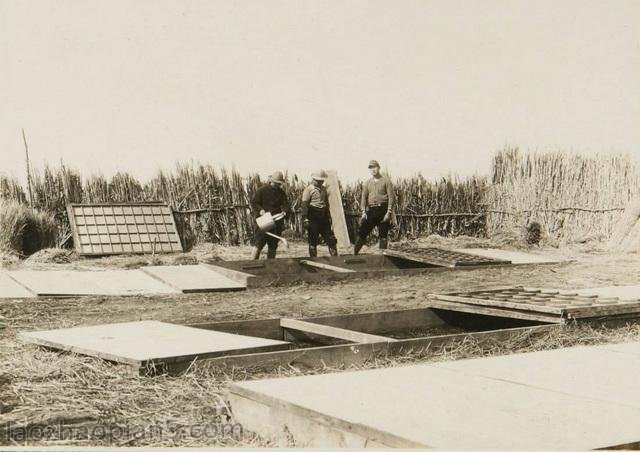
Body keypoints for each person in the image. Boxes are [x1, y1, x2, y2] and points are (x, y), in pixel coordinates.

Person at [354, 160, 395, 255]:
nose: (373, 170)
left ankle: (382, 257)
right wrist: (363, 212)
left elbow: (391, 197)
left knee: (383, 235)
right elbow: (363, 198)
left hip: (383, 210)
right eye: (371, 168)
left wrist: (388, 212)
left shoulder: (386, 181)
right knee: (362, 232)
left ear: (379, 168)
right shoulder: (367, 183)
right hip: (371, 210)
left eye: (375, 167)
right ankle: (354, 253)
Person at [250, 171, 290, 259]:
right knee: (259, 244)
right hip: (263, 221)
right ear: (271, 181)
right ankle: (252, 263)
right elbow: (254, 203)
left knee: (273, 245)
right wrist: (260, 210)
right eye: (276, 183)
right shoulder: (262, 190)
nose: (277, 185)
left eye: (279, 184)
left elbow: (286, 204)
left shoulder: (281, 193)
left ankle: (270, 264)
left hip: (276, 222)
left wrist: (285, 211)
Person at [301, 170, 338, 257]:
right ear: (314, 180)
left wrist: (328, 215)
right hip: (313, 215)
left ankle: (335, 258)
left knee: (330, 239)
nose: (321, 182)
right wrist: (305, 218)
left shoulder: (324, 189)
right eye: (318, 180)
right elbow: (304, 205)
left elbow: (326, 203)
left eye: (322, 181)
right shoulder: (308, 190)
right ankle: (314, 259)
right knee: (313, 239)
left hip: (323, 215)